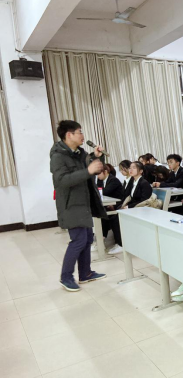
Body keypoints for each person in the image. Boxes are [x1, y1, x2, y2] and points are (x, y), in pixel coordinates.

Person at [50, 120, 108, 292]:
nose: (83, 135)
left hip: (83, 203)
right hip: (71, 204)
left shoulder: (79, 153)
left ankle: (85, 273)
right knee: (78, 240)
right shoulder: (58, 156)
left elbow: (93, 169)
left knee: (87, 238)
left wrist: (97, 157)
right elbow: (62, 181)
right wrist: (88, 170)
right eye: (80, 132)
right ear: (69, 135)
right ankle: (66, 277)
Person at [108, 162, 153, 255]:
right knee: (113, 216)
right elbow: (127, 197)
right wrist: (119, 206)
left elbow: (144, 200)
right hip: (133, 208)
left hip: (142, 209)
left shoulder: (144, 183)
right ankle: (119, 242)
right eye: (130, 168)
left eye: (134, 168)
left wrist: (128, 207)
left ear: (141, 171)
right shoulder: (133, 182)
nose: (130, 170)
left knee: (116, 219)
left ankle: (121, 244)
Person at [95, 164, 124, 252]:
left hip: (118, 205)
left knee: (108, 217)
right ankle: (101, 240)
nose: (98, 176)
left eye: (99, 173)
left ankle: (119, 244)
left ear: (105, 172)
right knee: (101, 214)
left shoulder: (113, 180)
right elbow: (98, 191)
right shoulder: (101, 180)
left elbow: (104, 192)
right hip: (110, 204)